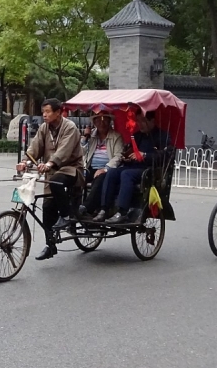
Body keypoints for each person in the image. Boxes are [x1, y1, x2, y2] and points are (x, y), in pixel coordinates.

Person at [16, 98, 84, 260]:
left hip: (72, 169)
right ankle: (50, 245)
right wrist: (25, 161)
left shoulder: (70, 128)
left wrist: (50, 163)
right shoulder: (44, 128)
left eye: (47, 112)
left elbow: (64, 151)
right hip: (51, 171)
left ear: (58, 112)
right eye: (43, 112)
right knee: (47, 208)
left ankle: (66, 216)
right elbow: (35, 146)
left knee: (57, 182)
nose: (44, 115)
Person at [92, 110, 171, 224]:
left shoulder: (162, 136)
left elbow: (165, 156)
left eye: (143, 121)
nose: (140, 124)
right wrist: (127, 158)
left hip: (148, 169)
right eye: (138, 121)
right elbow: (129, 152)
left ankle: (122, 211)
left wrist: (145, 155)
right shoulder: (138, 136)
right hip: (133, 166)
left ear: (152, 121)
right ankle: (104, 209)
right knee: (112, 172)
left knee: (126, 174)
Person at [79, 111, 124, 218]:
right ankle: (72, 206)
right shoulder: (92, 136)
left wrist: (105, 169)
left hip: (107, 169)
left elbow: (118, 156)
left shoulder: (116, 136)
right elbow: (81, 152)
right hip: (90, 168)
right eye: (98, 120)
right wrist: (85, 138)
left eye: (105, 120)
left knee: (100, 178)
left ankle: (87, 208)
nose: (101, 123)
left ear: (109, 122)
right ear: (94, 122)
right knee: (75, 177)